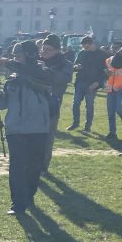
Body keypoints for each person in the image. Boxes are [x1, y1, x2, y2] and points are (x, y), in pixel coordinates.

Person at [0, 41, 54, 215]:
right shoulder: (12, 78)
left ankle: (29, 197)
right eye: (14, 56)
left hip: (38, 128)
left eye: (19, 55)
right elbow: (3, 104)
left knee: (34, 166)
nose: (15, 59)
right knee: (17, 166)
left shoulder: (43, 72)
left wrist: (9, 64)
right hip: (15, 129)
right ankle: (18, 203)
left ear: (30, 55)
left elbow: (36, 77)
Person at [40, 33, 73, 173]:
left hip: (52, 104)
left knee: (47, 137)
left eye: (48, 49)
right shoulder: (36, 61)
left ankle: (43, 166)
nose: (44, 52)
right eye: (43, 48)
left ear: (58, 50)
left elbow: (63, 79)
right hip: (34, 103)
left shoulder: (66, 64)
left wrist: (45, 70)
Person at [66, 35, 106, 132]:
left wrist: (98, 82)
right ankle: (75, 123)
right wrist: (76, 67)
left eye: (86, 47)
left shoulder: (102, 54)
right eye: (83, 47)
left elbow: (105, 71)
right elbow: (75, 65)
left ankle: (87, 127)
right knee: (75, 104)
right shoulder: (82, 53)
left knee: (89, 106)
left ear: (92, 44)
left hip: (93, 84)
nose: (85, 49)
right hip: (80, 81)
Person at [103, 44, 122, 142]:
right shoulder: (108, 60)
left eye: (116, 48)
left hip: (120, 88)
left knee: (120, 110)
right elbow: (107, 73)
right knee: (111, 112)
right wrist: (106, 74)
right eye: (113, 48)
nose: (114, 50)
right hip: (110, 89)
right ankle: (112, 132)